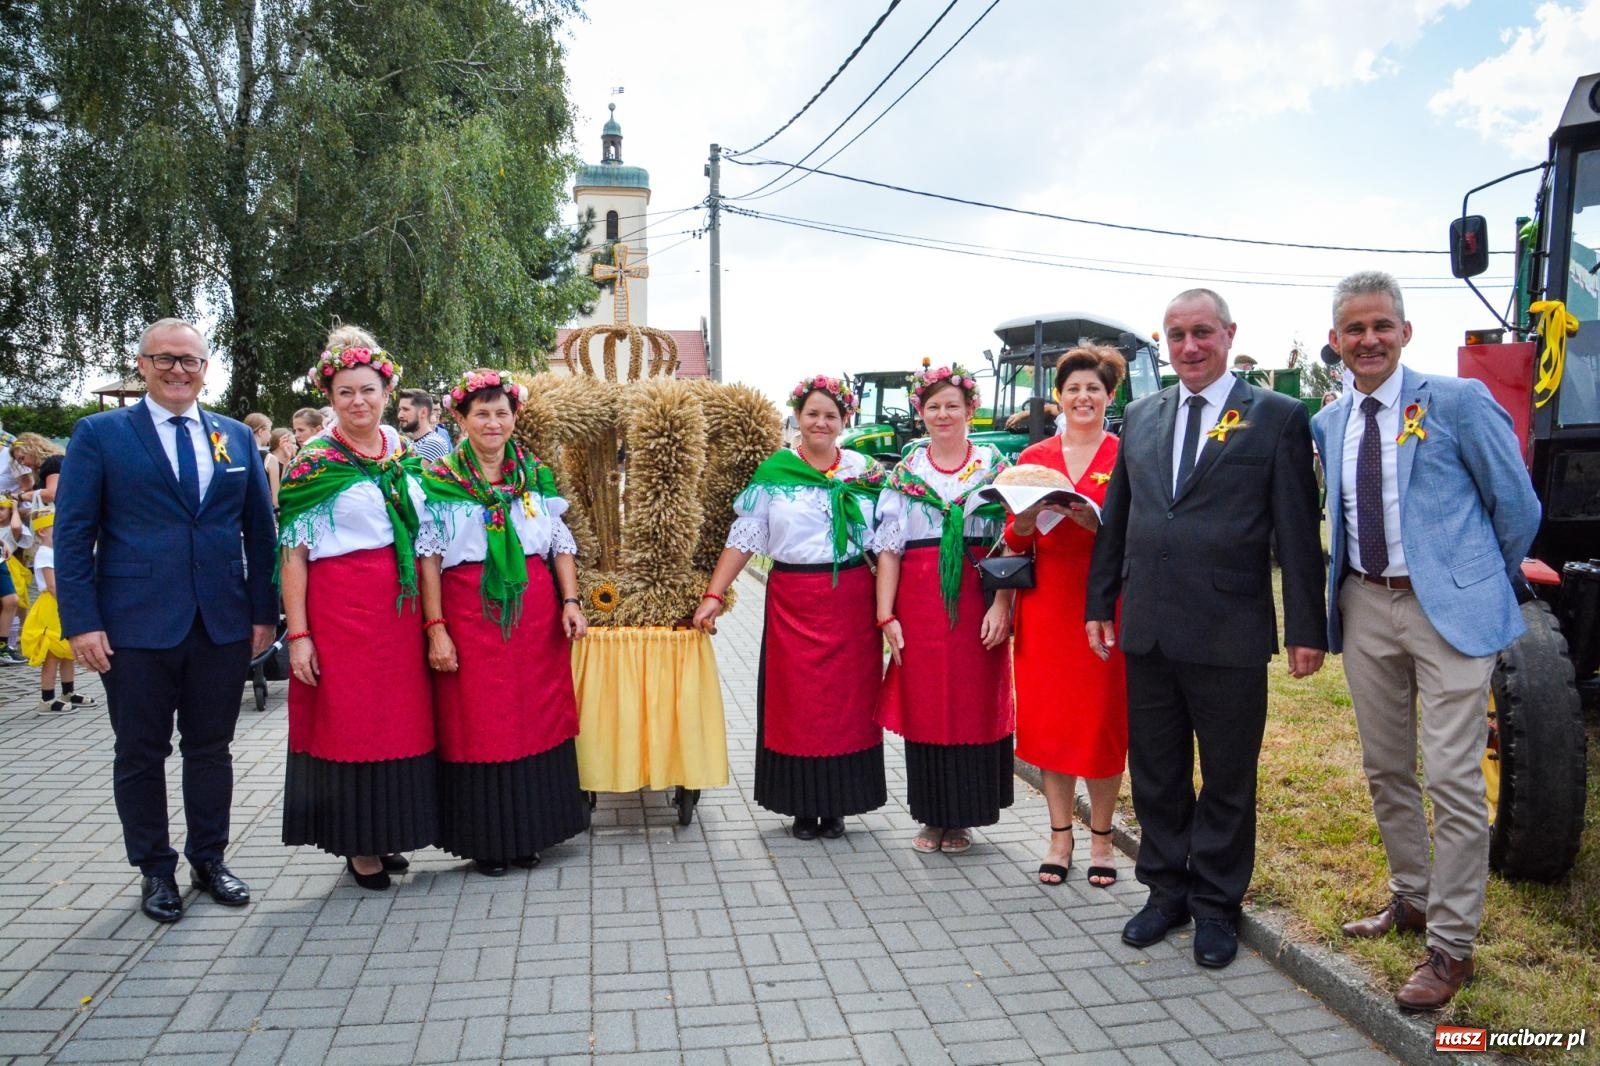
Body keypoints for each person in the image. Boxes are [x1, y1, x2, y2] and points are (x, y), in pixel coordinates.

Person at [1313, 271, 1539, 1011]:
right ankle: (1410, 898)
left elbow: (1516, 505)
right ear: (1337, 342)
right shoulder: (1330, 422)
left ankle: (1452, 946)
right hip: (1366, 605)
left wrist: (1474, 579)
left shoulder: (1457, 401)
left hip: (1451, 615)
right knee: (1386, 767)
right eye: (1354, 329)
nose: (1368, 340)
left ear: (1405, 332)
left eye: (1381, 325)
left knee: (1452, 777)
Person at [1085, 288, 1326, 969]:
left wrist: (1308, 627)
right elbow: (1119, 519)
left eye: (1201, 333)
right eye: (1176, 335)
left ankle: (1218, 903)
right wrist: (1100, 601)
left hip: (1230, 632)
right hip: (1151, 627)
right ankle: (1166, 892)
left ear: (1228, 334)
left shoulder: (1276, 417)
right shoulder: (1143, 413)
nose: (1189, 347)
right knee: (1157, 773)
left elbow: (1297, 532)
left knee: (1226, 777)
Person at [54, 317, 277, 923]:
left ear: (207, 369)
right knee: (140, 751)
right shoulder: (100, 434)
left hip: (220, 622)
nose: (179, 370)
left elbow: (260, 531)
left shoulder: (232, 435)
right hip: (132, 627)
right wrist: (81, 622)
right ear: (143, 365)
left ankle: (209, 858)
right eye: (166, 359)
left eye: (191, 360)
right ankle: (156, 869)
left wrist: (264, 612)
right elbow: (74, 535)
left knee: (212, 748)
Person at [693, 375, 888, 841]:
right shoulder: (775, 472)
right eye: (813, 414)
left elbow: (890, 539)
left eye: (831, 415)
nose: (821, 422)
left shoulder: (864, 471)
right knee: (795, 704)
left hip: (852, 599)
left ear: (845, 421)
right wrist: (713, 595)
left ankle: (839, 802)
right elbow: (745, 538)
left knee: (848, 704)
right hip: (793, 601)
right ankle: (802, 805)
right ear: (798, 417)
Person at [277, 325, 436, 891]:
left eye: (367, 389)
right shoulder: (314, 460)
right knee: (351, 724)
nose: (358, 401)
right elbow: (292, 555)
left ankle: (386, 828)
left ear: (387, 392)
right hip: (341, 609)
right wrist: (299, 635)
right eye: (345, 392)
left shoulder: (402, 450)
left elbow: (425, 525)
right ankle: (357, 844)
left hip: (400, 607)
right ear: (330, 398)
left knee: (398, 721)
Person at [417, 369, 589, 875]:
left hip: (535, 615)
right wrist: (436, 627)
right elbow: (427, 559)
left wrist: (571, 601)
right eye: (482, 413)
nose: (493, 423)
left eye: (501, 413)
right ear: (461, 419)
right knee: (481, 723)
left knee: (535, 717)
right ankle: (489, 839)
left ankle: (532, 831)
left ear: (515, 417)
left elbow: (559, 543)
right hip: (471, 613)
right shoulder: (439, 480)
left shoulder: (532, 475)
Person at [874, 365, 1014, 855]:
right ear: (920, 413)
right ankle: (932, 816)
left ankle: (964, 818)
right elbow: (889, 548)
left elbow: (1010, 542)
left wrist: (1002, 604)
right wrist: (886, 615)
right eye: (933, 406)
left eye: (953, 404)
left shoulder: (995, 468)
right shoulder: (906, 472)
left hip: (977, 593)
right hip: (919, 598)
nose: (943, 413)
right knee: (926, 701)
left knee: (973, 699)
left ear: (971, 410)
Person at [1003, 347, 1128, 887]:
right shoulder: (1034, 455)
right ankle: (1059, 834)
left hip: (1106, 605)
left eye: (1093, 389)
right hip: (1048, 604)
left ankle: (1103, 839)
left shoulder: (1127, 454)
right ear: (1058, 396)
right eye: (1073, 388)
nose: (1083, 397)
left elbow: (1139, 535)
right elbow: (1014, 539)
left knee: (1101, 723)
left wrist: (1098, 525)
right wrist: (1028, 519)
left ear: (1109, 397)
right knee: (1051, 722)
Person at [21, 540, 94, 714]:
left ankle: (68, 692)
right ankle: (47, 698)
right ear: (42, 531)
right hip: (53, 604)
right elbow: (52, 585)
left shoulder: (58, 550)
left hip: (62, 603)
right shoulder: (45, 552)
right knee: (52, 652)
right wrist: (71, 600)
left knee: (67, 650)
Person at [10, 433, 64, 547]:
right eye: (20, 462)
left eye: (22, 458)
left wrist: (20, 497)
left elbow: (51, 494)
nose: (23, 463)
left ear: (32, 447)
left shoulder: (52, 462)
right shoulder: (44, 468)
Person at [0, 495, 30, 666]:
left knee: (15, 602)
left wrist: (15, 508)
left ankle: (6, 645)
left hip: (7, 564)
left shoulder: (11, 528)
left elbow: (17, 527)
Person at [398, 389, 451, 463]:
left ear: (423, 412)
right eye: (400, 409)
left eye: (406, 409)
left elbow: (410, 473)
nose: (399, 415)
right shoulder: (413, 442)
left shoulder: (433, 444)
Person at [265, 428, 294, 508]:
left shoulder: (288, 461)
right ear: (283, 443)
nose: (296, 447)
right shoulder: (269, 460)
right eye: (293, 443)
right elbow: (279, 495)